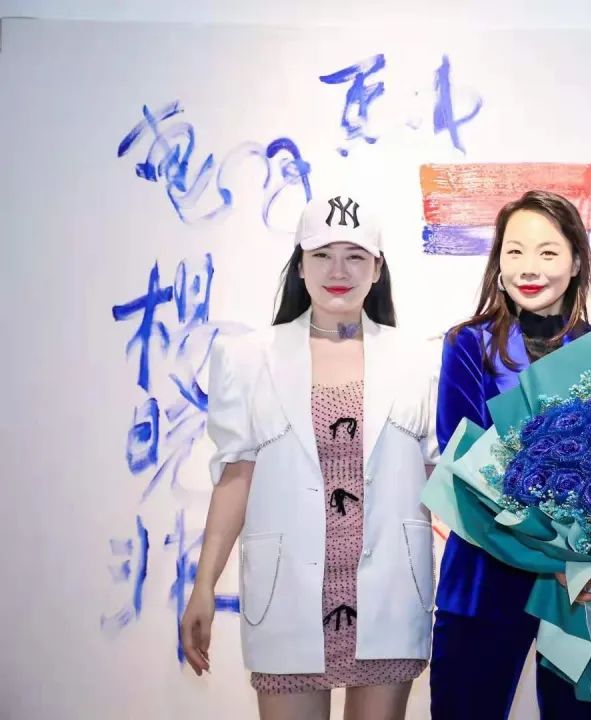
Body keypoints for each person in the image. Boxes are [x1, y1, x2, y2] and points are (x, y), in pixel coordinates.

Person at [180, 193, 438, 720]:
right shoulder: (247, 358)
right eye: (322, 255)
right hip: (288, 595)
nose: (338, 271)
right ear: (300, 265)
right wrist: (203, 585)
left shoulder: (422, 359)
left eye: (355, 256)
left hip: (389, 592)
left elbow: (442, 479)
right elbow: (235, 477)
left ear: (377, 269)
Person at [429, 190, 591, 720]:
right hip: (485, 573)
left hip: (582, 586)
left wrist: (579, 557)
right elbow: (463, 456)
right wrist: (551, 553)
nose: (529, 267)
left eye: (548, 252)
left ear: (576, 261)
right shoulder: (468, 345)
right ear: (498, 262)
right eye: (515, 251)